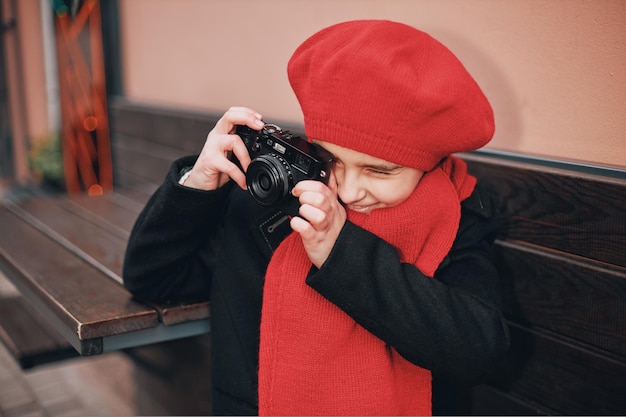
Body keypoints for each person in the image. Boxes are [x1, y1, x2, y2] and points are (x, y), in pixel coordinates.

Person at [123, 19, 509, 416]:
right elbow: (154, 279)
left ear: (429, 164)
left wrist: (340, 253)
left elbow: (477, 351)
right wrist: (197, 185)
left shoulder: (456, 216)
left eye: (379, 171)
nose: (348, 190)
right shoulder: (271, 202)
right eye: (331, 159)